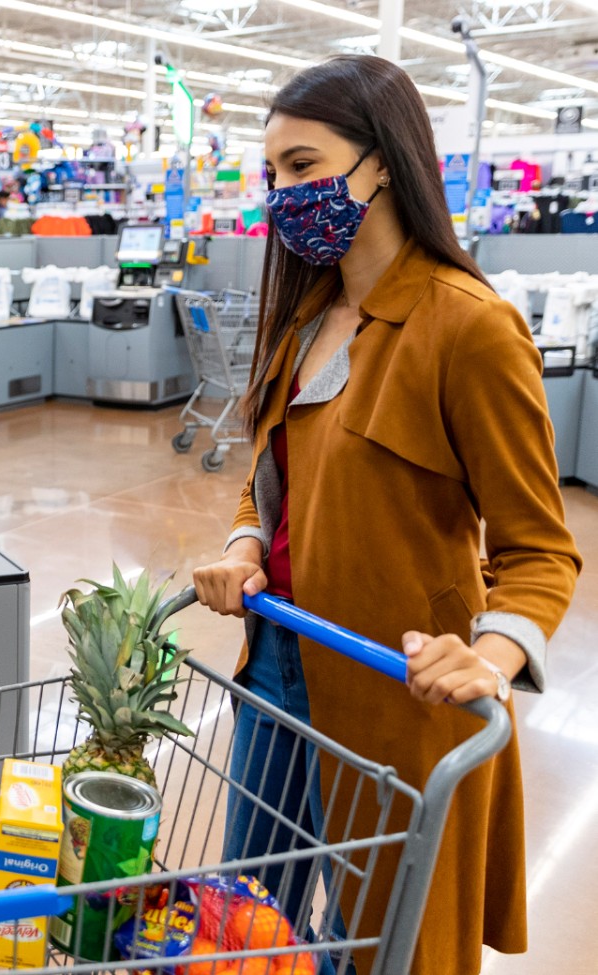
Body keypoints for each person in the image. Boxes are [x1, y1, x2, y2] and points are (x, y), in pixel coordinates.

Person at [190, 55, 579, 975]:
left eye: (304, 165)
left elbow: (540, 551)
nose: (284, 193)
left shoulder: (468, 328)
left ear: (385, 166)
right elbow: (272, 477)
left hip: (396, 693)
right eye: (273, 173)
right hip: (277, 669)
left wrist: (485, 657)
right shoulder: (308, 317)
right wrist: (246, 541)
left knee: (382, 943)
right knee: (251, 929)